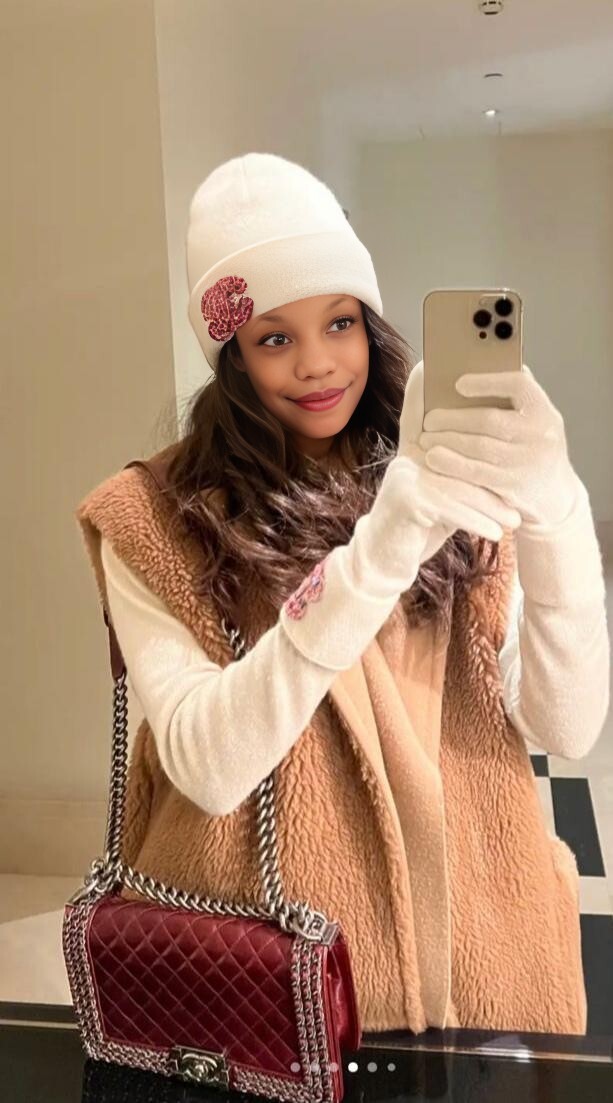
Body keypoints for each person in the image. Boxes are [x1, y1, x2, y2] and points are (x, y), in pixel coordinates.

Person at [75, 152, 609, 1036]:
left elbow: (567, 724)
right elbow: (207, 766)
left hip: (483, 964)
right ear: (231, 355)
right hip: (271, 988)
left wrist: (556, 506)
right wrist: (377, 552)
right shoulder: (153, 516)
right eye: (274, 338)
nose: (319, 364)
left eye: (340, 321)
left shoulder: (449, 476)